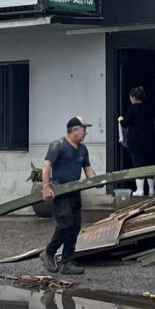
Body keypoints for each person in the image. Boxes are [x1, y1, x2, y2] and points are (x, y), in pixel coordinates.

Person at [40, 117, 96, 276]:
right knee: (65, 224)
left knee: (75, 226)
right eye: (83, 129)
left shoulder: (83, 149)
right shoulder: (58, 145)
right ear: (74, 130)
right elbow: (46, 167)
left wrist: (96, 181)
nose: (86, 132)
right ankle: (48, 253)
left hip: (74, 192)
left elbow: (88, 169)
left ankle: (67, 261)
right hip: (60, 192)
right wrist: (46, 187)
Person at [120, 87, 155, 196]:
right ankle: (151, 190)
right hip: (148, 140)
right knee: (150, 165)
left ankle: (140, 190)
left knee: (138, 165)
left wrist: (120, 119)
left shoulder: (132, 108)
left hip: (135, 142)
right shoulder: (148, 108)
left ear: (133, 97)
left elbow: (125, 124)